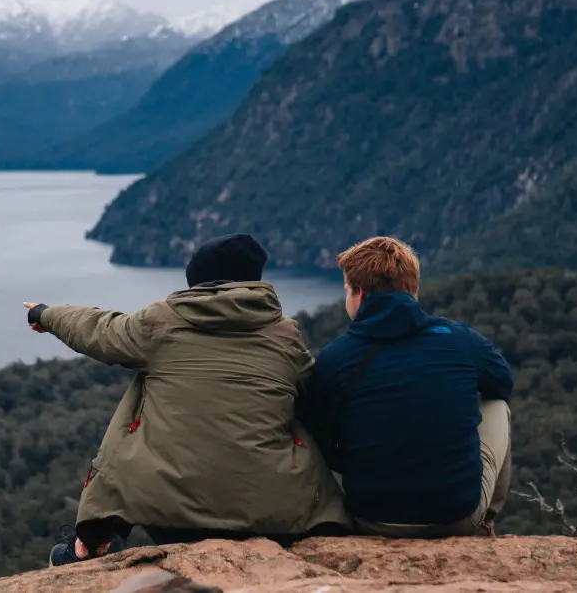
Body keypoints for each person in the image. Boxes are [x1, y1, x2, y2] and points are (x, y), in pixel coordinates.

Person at [23, 233, 349, 567]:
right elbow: (318, 408)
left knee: (144, 394)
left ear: (197, 281)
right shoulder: (285, 336)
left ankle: (93, 539)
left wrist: (45, 314)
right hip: (273, 512)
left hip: (167, 510)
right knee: (296, 407)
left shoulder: (160, 323)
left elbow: (98, 329)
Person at [298, 236, 514, 538]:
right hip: (456, 516)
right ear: (413, 290)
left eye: (347, 290)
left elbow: (318, 434)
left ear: (359, 294)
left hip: (370, 518)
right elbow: (503, 383)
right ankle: (485, 521)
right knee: (497, 406)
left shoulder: (335, 357)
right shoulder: (461, 340)